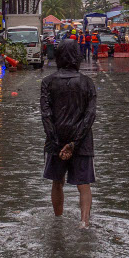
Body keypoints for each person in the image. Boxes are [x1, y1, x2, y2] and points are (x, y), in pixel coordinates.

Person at [41, 40, 97, 227]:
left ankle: (58, 221)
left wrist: (57, 142)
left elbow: (46, 116)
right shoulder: (87, 83)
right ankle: (84, 222)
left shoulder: (48, 82)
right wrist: (74, 143)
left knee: (57, 182)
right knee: (84, 184)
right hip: (82, 142)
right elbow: (89, 117)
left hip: (56, 140)